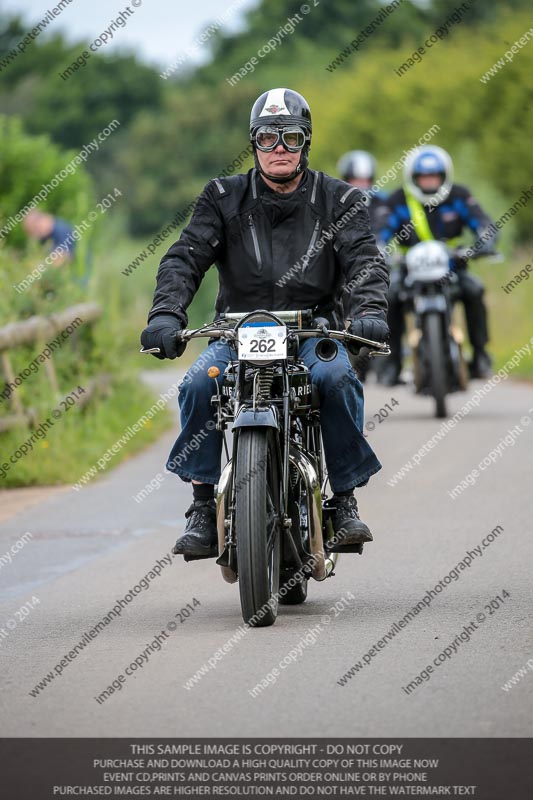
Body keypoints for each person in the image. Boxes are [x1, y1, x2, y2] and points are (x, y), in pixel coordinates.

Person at [141, 88, 389, 560]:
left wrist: (370, 312)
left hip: (314, 331)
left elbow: (365, 261)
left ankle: (344, 502)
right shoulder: (221, 196)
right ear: (253, 143)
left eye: (291, 137)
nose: (279, 148)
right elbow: (184, 259)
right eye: (268, 137)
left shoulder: (339, 199)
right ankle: (201, 506)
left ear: (306, 143)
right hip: (238, 332)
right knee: (199, 382)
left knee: (336, 378)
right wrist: (166, 314)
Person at [378, 145, 498, 386]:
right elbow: (379, 229)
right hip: (410, 270)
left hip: (453, 268)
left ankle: (480, 355)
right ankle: (391, 365)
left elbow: (484, 223)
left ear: (444, 176)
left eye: (434, 176)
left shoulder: (459, 196)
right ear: (413, 178)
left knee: (475, 290)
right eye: (423, 177)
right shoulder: (398, 200)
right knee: (389, 296)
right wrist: (378, 247)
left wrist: (484, 242)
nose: (429, 182)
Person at [337, 150, 390, 382]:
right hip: (350, 270)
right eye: (356, 180)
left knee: (394, 296)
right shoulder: (337, 202)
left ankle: (392, 358)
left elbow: (399, 225)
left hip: (386, 268)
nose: (361, 185)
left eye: (365, 180)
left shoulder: (385, 202)